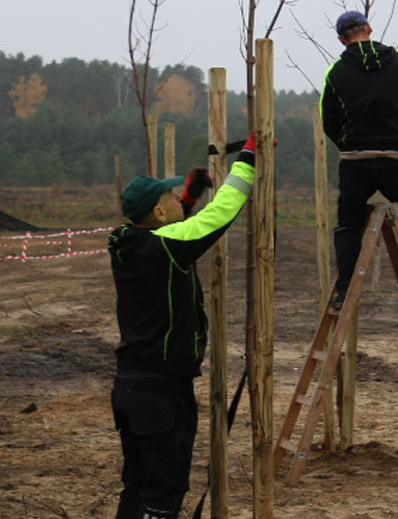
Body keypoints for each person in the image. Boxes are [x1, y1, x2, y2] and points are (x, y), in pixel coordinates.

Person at [108, 133, 258, 519]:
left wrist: (188, 200)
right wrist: (247, 158)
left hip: (131, 386)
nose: (177, 199)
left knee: (139, 485)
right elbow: (220, 214)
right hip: (161, 391)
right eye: (171, 199)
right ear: (157, 214)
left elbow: (178, 236)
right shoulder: (164, 247)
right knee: (163, 492)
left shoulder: (136, 245)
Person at [320, 10, 398, 306]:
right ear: (369, 28)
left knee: (348, 225)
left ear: (342, 40)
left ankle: (344, 289)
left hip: (356, 161)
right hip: (397, 158)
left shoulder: (337, 72)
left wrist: (346, 144)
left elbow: (327, 118)